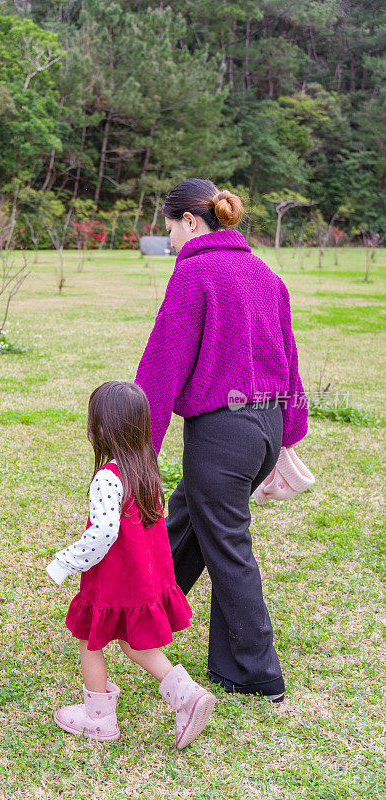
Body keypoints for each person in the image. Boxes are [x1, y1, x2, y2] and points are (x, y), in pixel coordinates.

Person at [135, 178, 310, 704]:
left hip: (222, 434)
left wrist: (135, 448)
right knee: (189, 514)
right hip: (264, 428)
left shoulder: (194, 273)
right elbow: (289, 354)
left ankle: (256, 672)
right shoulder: (264, 273)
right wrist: (289, 431)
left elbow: (164, 366)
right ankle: (144, 612)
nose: (167, 239)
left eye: (168, 227)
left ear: (190, 221)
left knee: (228, 547)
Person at [46, 381, 217, 748]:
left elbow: (104, 533)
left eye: (92, 421)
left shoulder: (108, 476)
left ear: (103, 429)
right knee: (130, 641)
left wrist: (66, 561)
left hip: (114, 580)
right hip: (143, 578)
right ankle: (186, 695)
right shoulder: (143, 468)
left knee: (90, 642)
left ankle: (99, 721)